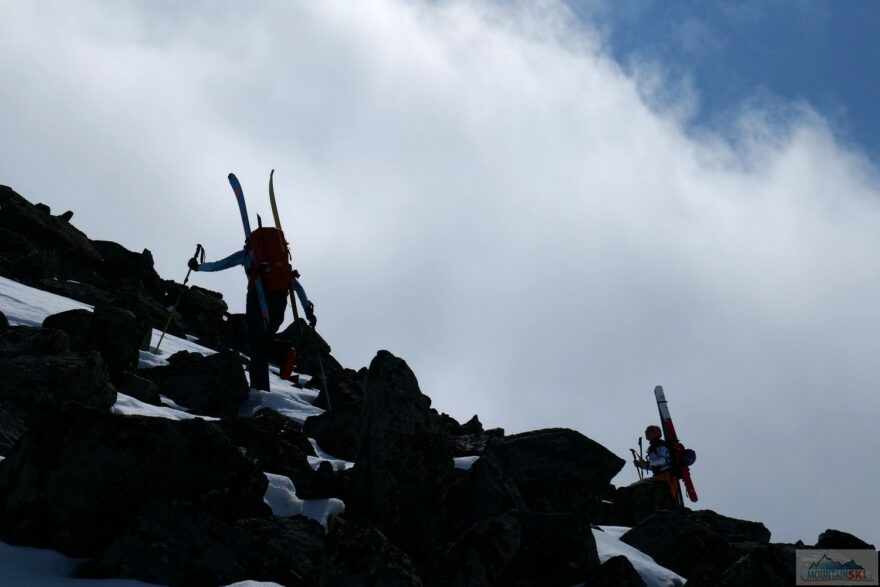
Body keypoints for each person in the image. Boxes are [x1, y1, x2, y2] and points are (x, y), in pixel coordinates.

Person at [188, 246, 316, 392]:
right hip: (278, 304)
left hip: (257, 298)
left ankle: (259, 389)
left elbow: (220, 265)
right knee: (264, 342)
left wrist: (198, 267)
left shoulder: (247, 254)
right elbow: (297, 287)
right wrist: (308, 311)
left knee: (256, 345)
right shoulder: (279, 261)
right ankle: (278, 358)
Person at [634, 424, 682, 505]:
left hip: (667, 476)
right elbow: (655, 466)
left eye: (649, 431)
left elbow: (664, 460)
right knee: (663, 500)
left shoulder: (660, 444)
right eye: (647, 432)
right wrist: (642, 465)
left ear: (655, 433)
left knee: (669, 499)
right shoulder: (653, 446)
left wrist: (646, 463)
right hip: (659, 477)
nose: (647, 433)